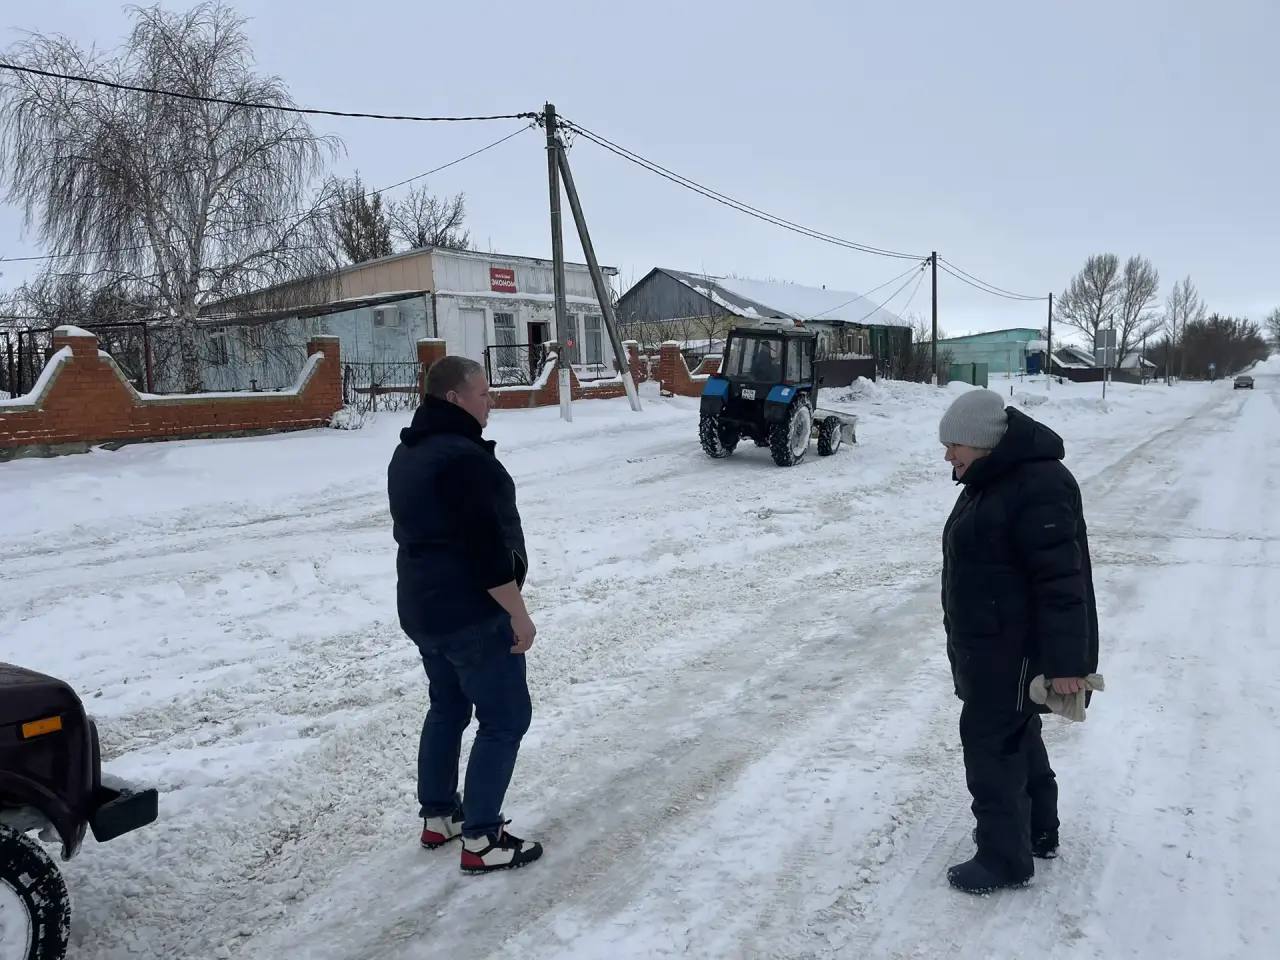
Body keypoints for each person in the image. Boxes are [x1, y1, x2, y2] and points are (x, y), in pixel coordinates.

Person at [938, 389, 1099, 894]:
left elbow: (1062, 583)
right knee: (1016, 735)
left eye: (954, 445)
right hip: (992, 644)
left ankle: (1003, 860)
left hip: (1011, 648)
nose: (948, 456)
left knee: (990, 747)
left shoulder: (1036, 484)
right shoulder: (993, 479)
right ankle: (1038, 830)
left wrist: (1068, 663)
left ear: (984, 442)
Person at [387, 355, 543, 874]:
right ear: (454, 398)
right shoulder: (464, 459)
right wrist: (518, 615)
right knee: (505, 718)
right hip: (472, 612)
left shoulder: (409, 453)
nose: (490, 401)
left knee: (448, 708)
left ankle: (439, 816)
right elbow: (486, 550)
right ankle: (482, 838)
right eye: (483, 393)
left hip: (423, 608)